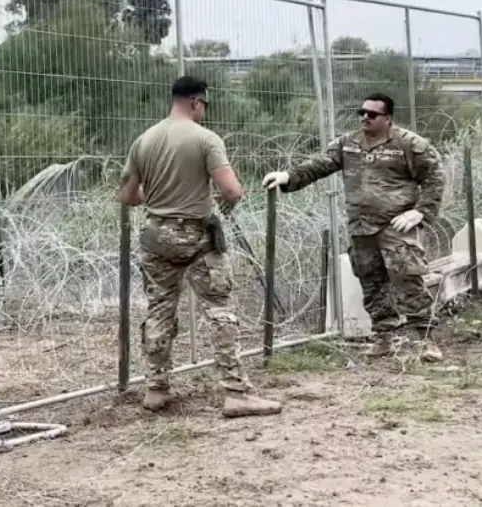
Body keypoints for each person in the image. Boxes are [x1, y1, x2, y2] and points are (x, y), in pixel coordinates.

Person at [120, 75, 283, 418]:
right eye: (204, 106)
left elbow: (127, 195)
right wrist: (223, 203)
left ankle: (156, 389)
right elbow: (232, 190)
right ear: (196, 102)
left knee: (159, 310)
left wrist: (161, 198)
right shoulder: (206, 139)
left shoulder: (144, 140)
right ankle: (237, 392)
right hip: (195, 236)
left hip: (155, 235)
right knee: (220, 308)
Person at [262, 93, 445, 361]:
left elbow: (435, 175)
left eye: (372, 114)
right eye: (362, 112)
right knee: (371, 284)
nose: (365, 117)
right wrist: (288, 177)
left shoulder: (408, 144)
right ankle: (384, 337)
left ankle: (425, 339)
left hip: (396, 225)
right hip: (362, 226)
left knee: (408, 280)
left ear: (387, 118)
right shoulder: (349, 144)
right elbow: (321, 164)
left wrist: (421, 212)